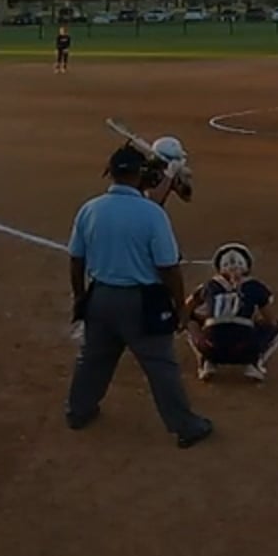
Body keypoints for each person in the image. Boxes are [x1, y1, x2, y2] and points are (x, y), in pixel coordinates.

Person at [64, 144, 213, 448]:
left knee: (92, 359)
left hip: (100, 297)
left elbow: (76, 260)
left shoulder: (90, 209)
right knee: (161, 365)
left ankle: (78, 411)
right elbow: (168, 268)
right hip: (142, 303)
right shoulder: (151, 214)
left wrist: (80, 297)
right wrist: (180, 307)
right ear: (140, 174)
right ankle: (186, 426)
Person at [182, 243, 278, 383]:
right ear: (246, 267)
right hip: (244, 349)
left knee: (188, 320)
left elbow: (186, 308)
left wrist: (206, 319)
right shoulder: (255, 286)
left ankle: (205, 361)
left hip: (212, 348)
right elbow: (271, 321)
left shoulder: (208, 285)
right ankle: (255, 363)